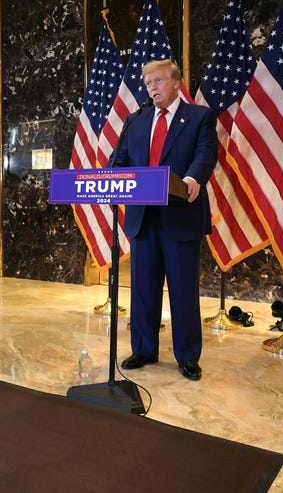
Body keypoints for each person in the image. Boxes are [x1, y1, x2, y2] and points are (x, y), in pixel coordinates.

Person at [110, 59, 218, 381]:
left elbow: (205, 153)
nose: (151, 88)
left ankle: (187, 356)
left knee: (183, 290)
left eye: (157, 81)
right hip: (143, 217)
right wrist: (111, 178)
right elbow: (120, 160)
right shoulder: (136, 120)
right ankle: (144, 349)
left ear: (176, 83)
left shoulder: (199, 116)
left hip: (180, 215)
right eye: (147, 84)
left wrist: (193, 178)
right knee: (143, 288)